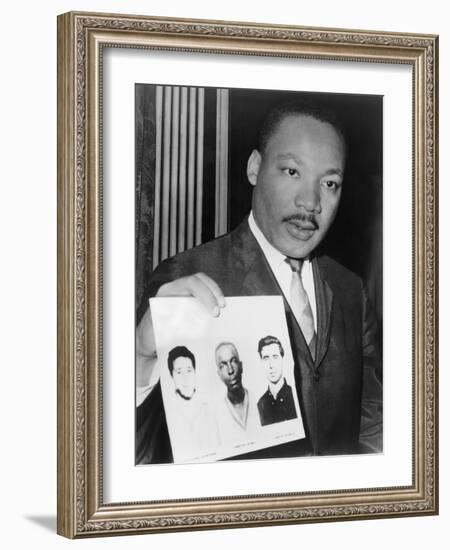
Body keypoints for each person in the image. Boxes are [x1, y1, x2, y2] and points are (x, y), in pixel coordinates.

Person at [136, 100, 382, 463]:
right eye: (291, 171)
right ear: (254, 167)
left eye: (329, 183)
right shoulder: (183, 278)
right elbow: (130, 455)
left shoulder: (350, 289)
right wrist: (140, 357)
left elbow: (372, 423)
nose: (310, 202)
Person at [213, 342, 260, 445]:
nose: (230, 370)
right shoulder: (216, 414)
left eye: (233, 361)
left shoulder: (259, 401)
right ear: (219, 374)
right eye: (223, 365)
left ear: (241, 365)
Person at [256, 336, 297, 426]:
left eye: (275, 357)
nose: (271, 365)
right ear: (261, 362)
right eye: (266, 358)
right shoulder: (260, 405)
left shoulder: (295, 396)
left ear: (282, 359)